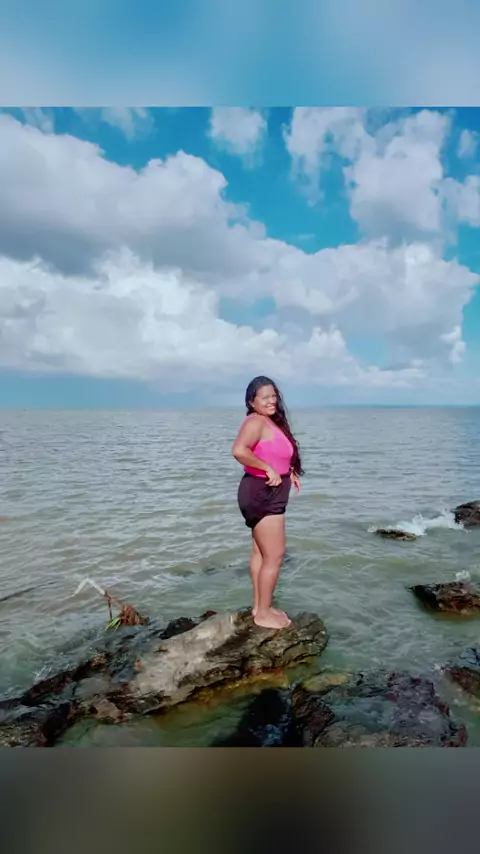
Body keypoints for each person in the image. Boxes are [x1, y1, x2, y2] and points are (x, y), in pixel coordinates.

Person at [231, 376, 304, 630]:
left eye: (273, 396)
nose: (271, 401)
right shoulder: (255, 422)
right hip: (263, 493)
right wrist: (268, 469)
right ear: (252, 402)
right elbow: (239, 450)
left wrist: (288, 472)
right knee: (275, 555)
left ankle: (259, 606)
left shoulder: (269, 422)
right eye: (265, 397)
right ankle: (263, 614)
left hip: (264, 491)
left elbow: (274, 453)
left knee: (261, 553)